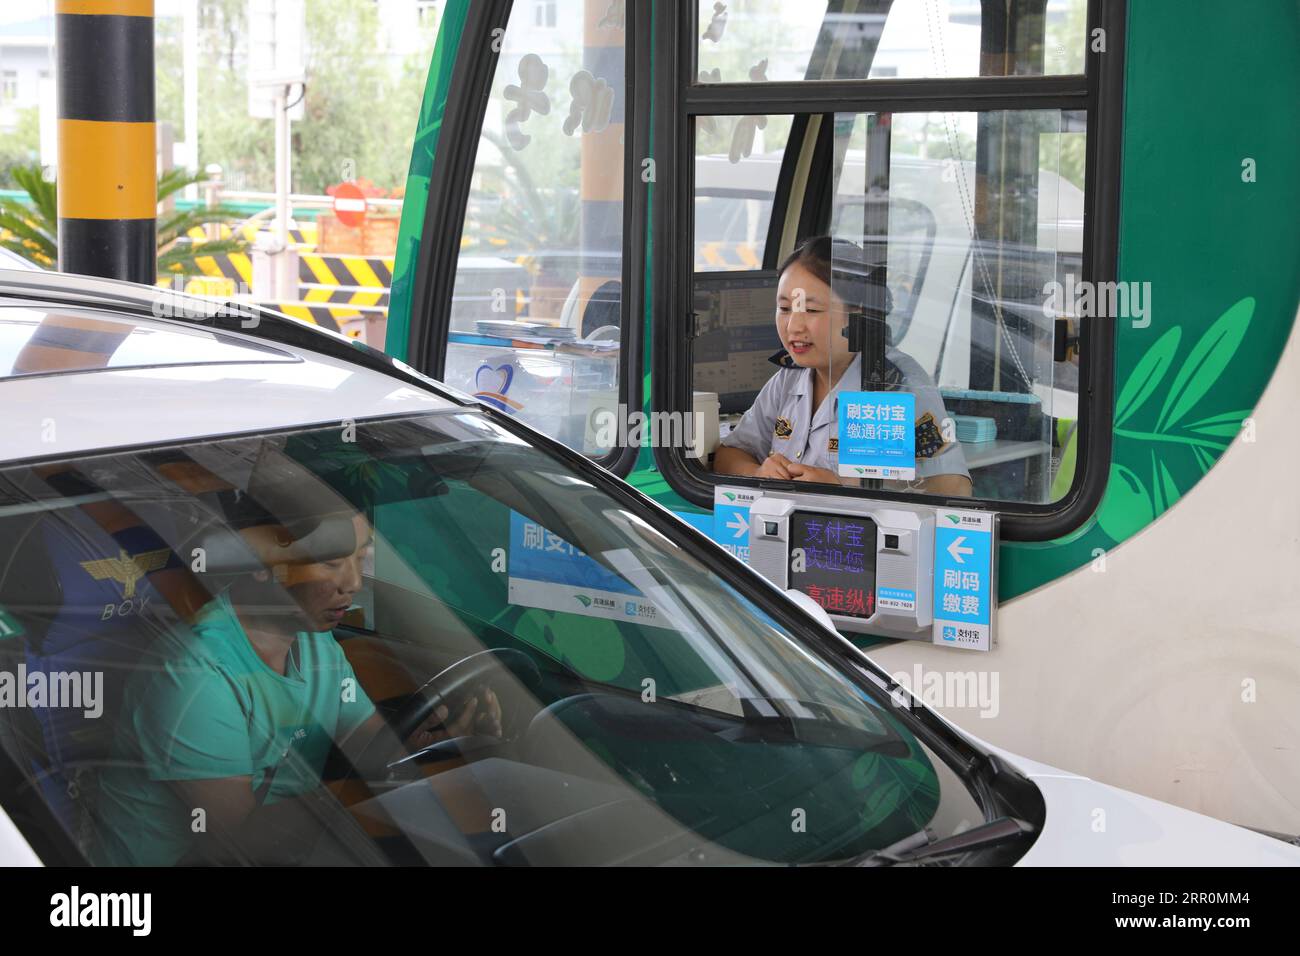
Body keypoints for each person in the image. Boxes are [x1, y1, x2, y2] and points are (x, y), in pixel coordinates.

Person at [92, 496, 502, 866]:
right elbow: (235, 841)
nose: (354, 584)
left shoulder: (316, 644)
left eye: (362, 559)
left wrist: (449, 740)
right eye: (331, 562)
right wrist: (367, 797)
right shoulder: (195, 674)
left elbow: (370, 745)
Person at [713, 235, 972, 496]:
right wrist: (758, 473)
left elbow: (954, 487)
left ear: (857, 312)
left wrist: (841, 487)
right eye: (784, 308)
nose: (793, 327)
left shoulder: (892, 384)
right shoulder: (790, 377)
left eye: (811, 311)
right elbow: (731, 454)